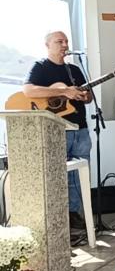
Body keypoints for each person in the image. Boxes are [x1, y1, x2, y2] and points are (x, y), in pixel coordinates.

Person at [22, 31, 92, 231]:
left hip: (80, 128)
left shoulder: (74, 70)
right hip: (56, 129)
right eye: (59, 41)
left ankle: (74, 214)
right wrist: (63, 91)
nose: (64, 45)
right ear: (47, 45)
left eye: (66, 41)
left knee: (79, 175)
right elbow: (28, 90)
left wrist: (84, 96)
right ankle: (58, 217)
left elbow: (89, 98)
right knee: (57, 174)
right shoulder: (40, 67)